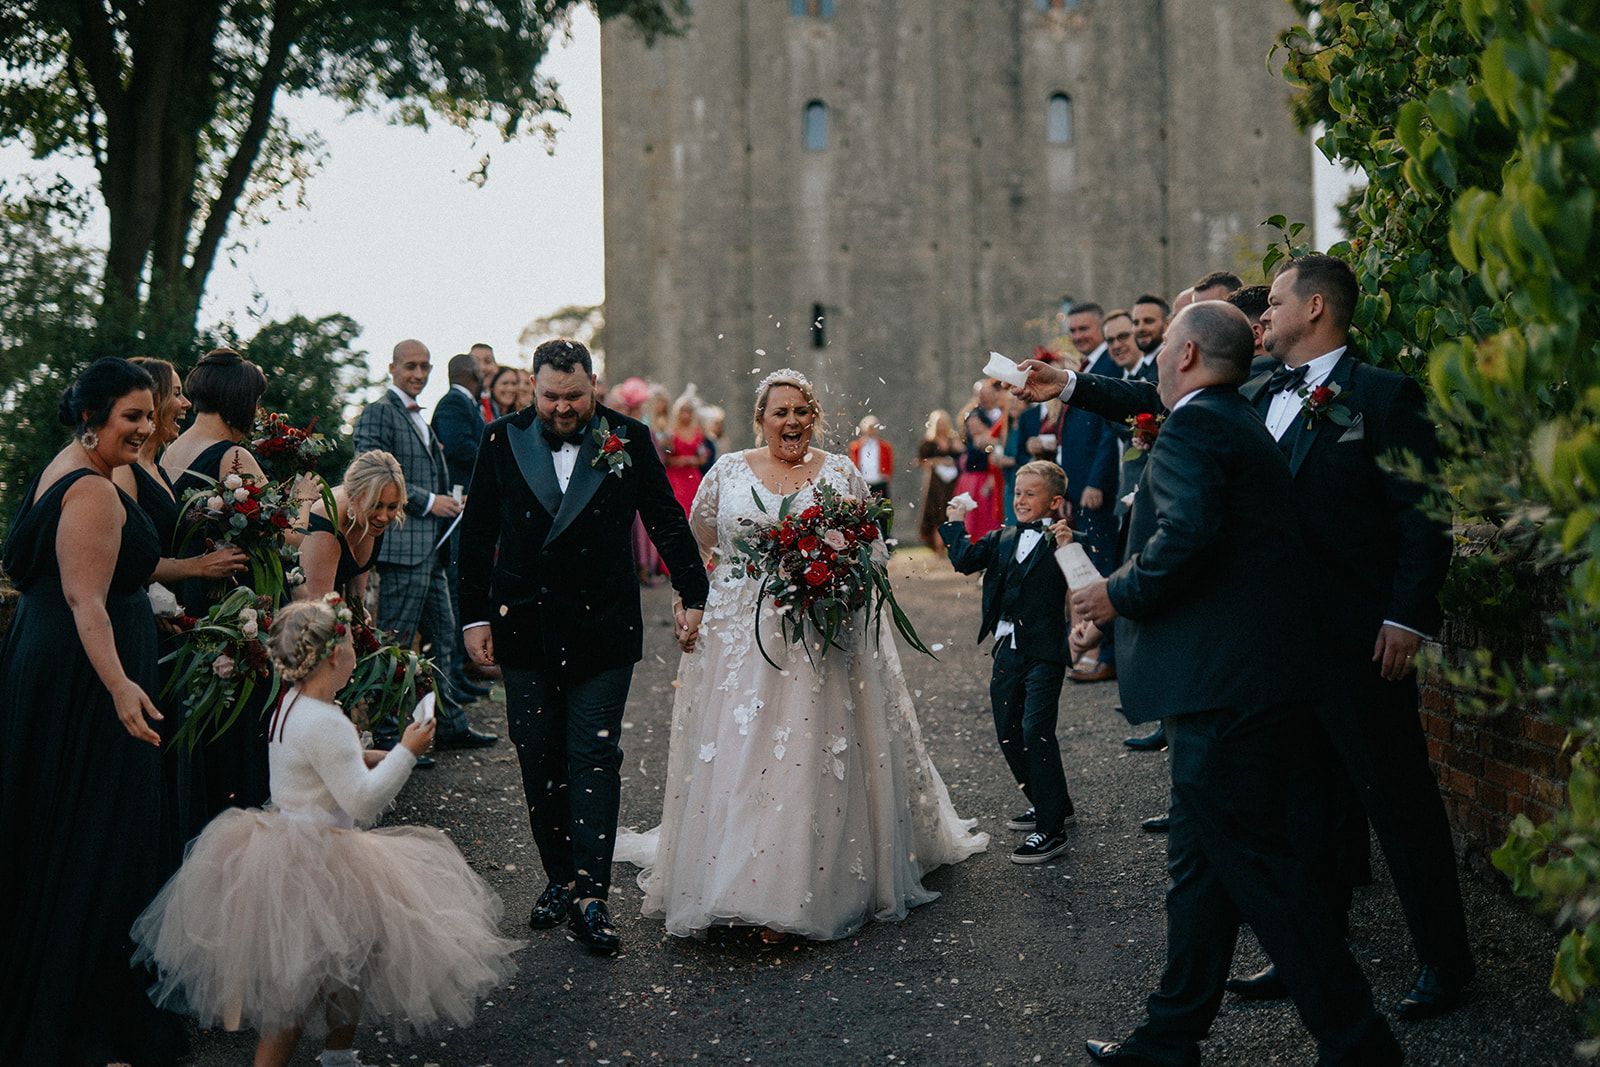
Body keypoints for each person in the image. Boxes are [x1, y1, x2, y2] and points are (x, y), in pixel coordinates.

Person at [1025, 255, 1472, 1020]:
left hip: (1358, 639)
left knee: (1397, 802)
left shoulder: (1383, 397)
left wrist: (1407, 615)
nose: (1263, 316)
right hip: (1273, 650)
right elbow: (1162, 393)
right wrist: (1070, 385)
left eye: (1279, 302)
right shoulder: (1257, 389)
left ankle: (1445, 959)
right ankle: (1307, 954)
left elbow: (1422, 518)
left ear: (1318, 307)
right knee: (1302, 809)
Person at [615, 368, 988, 942]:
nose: (791, 421)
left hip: (820, 637)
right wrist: (695, 604)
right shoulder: (728, 471)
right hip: (742, 638)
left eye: (801, 411)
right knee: (742, 754)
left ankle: (795, 888)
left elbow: (871, 552)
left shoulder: (839, 472)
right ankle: (730, 885)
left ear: (813, 415)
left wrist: (831, 581)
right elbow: (701, 543)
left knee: (807, 751)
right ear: (759, 419)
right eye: (779, 412)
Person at [131, 596, 521, 1067]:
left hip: (286, 840)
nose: (357, 656)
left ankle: (339, 1055)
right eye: (353, 647)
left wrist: (374, 755)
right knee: (295, 993)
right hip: (319, 860)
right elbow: (362, 800)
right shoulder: (329, 723)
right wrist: (408, 751)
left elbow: (311, 769)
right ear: (336, 656)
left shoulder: (289, 706)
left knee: (349, 964)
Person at [457, 338, 710, 955]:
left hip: (603, 627)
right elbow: (478, 534)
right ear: (533, 389)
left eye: (575, 397)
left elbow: (664, 517)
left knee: (594, 757)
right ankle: (559, 879)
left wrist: (694, 592)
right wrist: (472, 619)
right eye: (551, 397)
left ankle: (593, 896)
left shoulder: (629, 436)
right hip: (524, 624)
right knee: (538, 756)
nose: (563, 409)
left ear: (594, 387)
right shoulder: (501, 440)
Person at [0, 358, 187, 1064]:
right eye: (130, 417)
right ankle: (85, 1014)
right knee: (99, 831)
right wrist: (118, 687)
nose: (143, 428)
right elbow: (87, 601)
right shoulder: (94, 492)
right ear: (92, 418)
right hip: (85, 681)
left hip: (52, 663)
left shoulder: (66, 467)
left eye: (148, 414)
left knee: (63, 826)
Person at [116, 357, 249, 870]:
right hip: (141, 634)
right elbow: (127, 556)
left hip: (166, 624)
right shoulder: (127, 471)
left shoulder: (162, 459)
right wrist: (198, 565)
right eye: (174, 393)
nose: (185, 403)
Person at [353, 339, 498, 752]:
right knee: (395, 645)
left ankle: (449, 724)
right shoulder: (380, 412)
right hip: (402, 546)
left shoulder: (418, 416)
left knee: (444, 636)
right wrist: (431, 502)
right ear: (392, 367)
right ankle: (386, 738)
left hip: (433, 547)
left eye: (425, 367)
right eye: (411, 366)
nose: (418, 374)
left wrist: (449, 500)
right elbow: (367, 470)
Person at [941, 460, 1078, 865]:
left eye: (1030, 494)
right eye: (1017, 492)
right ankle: (1051, 801)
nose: (1020, 499)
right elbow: (964, 560)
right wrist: (954, 522)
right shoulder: (1002, 538)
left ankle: (1051, 830)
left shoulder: (1065, 540)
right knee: (1007, 731)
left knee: (1036, 729)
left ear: (1054, 502)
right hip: (1007, 649)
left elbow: (1085, 584)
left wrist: (1069, 545)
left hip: (1045, 651)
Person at [161, 347, 275, 814]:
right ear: (240, 401)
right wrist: (304, 499)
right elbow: (285, 532)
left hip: (184, 598)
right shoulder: (234, 456)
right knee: (236, 721)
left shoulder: (169, 451)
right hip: (229, 605)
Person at [432, 353, 491, 700]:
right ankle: (452, 674)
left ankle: (458, 673)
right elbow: (458, 447)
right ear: (471, 373)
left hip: (469, 505)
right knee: (456, 587)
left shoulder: (466, 402)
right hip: (457, 505)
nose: (486, 375)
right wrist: (495, 449)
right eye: (482, 371)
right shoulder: (453, 403)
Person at [297, 450, 404, 609]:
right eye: (376, 506)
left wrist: (358, 614)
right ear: (353, 496)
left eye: (392, 507)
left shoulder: (370, 521)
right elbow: (316, 612)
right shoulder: (325, 528)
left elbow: (356, 599)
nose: (383, 516)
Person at [916, 409, 963, 552]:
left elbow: (962, 457)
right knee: (936, 513)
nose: (942, 426)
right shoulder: (928, 443)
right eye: (939, 423)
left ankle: (952, 546)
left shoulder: (954, 440)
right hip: (935, 483)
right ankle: (938, 548)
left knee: (950, 512)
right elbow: (921, 462)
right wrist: (939, 461)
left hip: (952, 483)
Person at [663, 389, 709, 519]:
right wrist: (680, 461)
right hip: (675, 478)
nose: (686, 415)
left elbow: (703, 458)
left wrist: (692, 461)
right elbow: (666, 458)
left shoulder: (698, 433)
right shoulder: (671, 433)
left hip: (692, 477)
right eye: (683, 411)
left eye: (689, 411)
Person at [848, 414, 894, 540]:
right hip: (864, 484)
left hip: (880, 483)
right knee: (863, 513)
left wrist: (886, 476)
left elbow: (889, 464)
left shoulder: (884, 446)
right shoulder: (856, 446)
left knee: (883, 513)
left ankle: (886, 540)